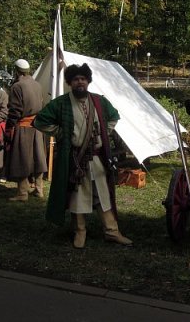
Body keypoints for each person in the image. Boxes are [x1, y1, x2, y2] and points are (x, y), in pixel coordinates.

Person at [34, 63, 132, 249]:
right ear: (70, 82)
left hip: (97, 158)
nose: (80, 82)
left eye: (83, 79)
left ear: (88, 81)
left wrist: (104, 132)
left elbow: (114, 117)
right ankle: (80, 232)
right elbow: (40, 121)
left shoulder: (99, 101)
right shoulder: (61, 103)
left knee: (104, 195)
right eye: (76, 79)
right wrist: (61, 133)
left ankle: (112, 231)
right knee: (77, 197)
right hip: (75, 159)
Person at [4, 59, 47, 201]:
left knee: (21, 159)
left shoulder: (17, 86)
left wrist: (10, 126)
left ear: (16, 70)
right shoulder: (37, 85)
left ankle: (22, 193)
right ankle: (39, 190)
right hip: (37, 127)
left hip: (23, 126)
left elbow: (15, 110)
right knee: (38, 158)